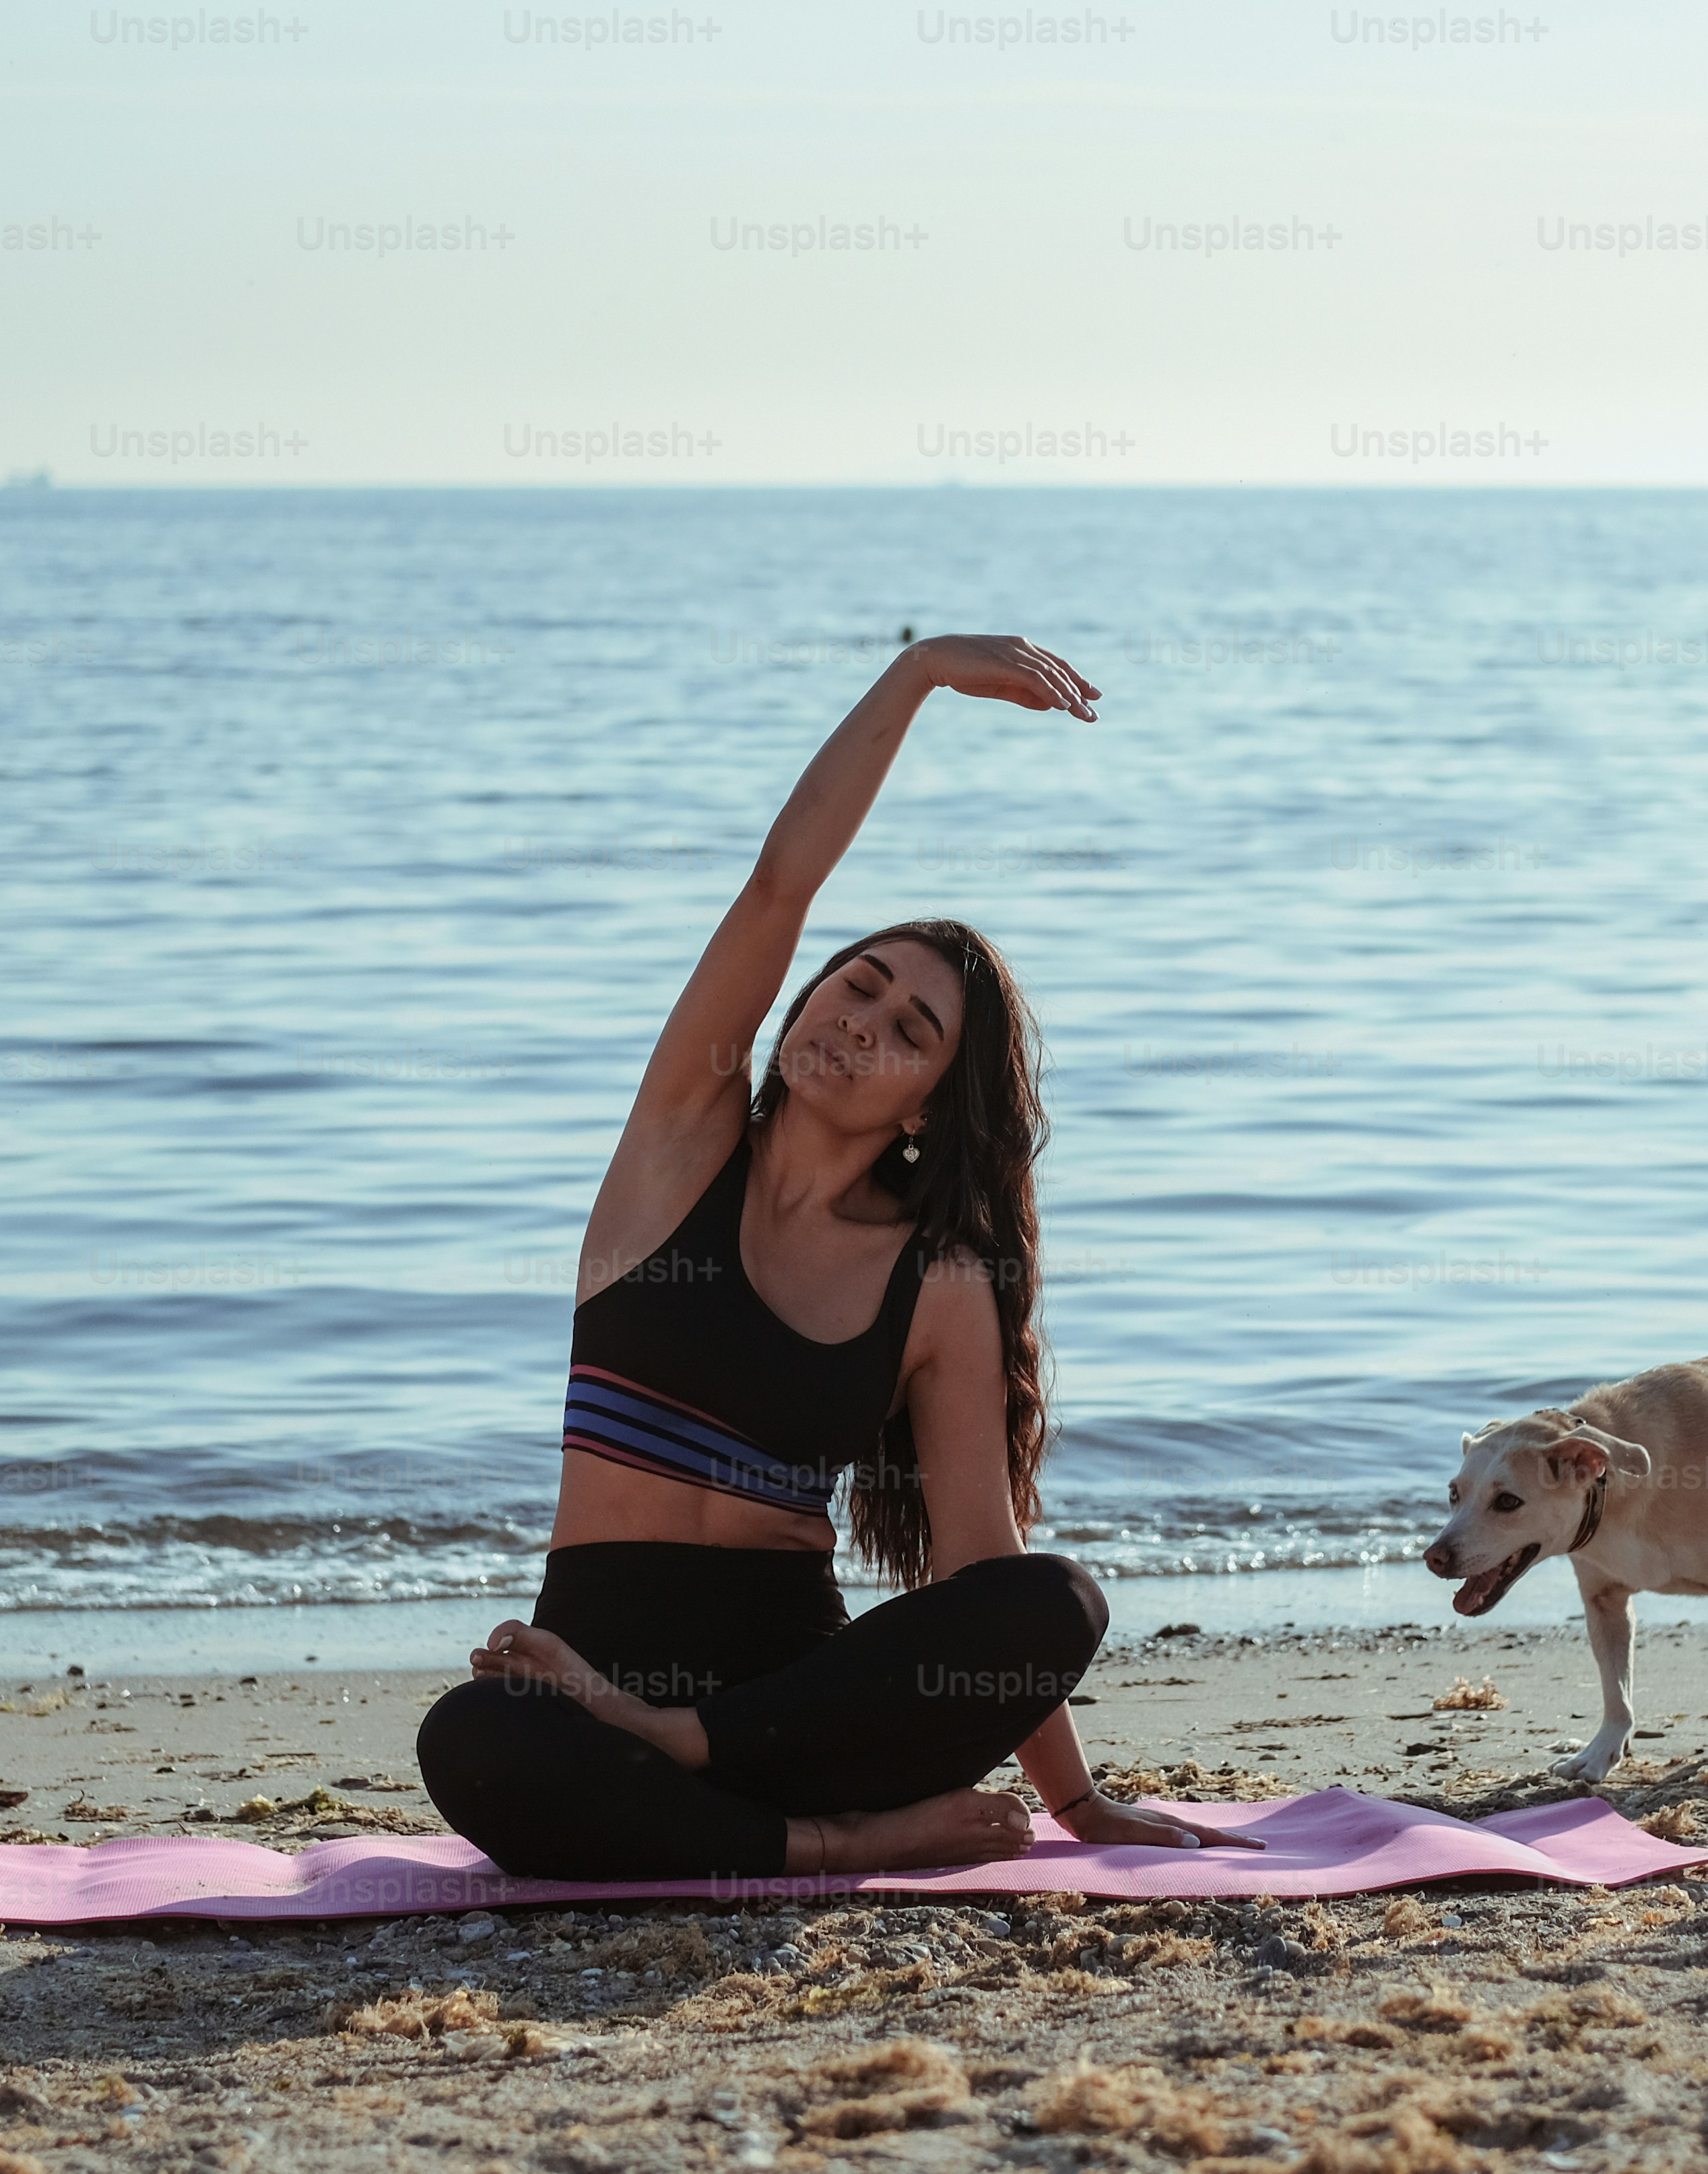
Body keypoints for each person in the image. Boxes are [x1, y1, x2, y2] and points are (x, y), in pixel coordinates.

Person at [416, 635, 1259, 1879]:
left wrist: (1078, 1807)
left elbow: (981, 1560)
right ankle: (830, 1845)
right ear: (806, 996)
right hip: (594, 1666)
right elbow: (776, 887)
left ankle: (725, 1793)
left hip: (794, 1705)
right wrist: (914, 677)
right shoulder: (679, 1149)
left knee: (1056, 1601)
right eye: (855, 987)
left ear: (928, 1104)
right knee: (474, 1742)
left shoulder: (939, 1285)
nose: (859, 1023)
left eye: (908, 1030)